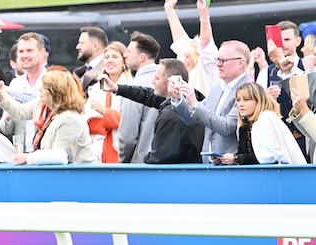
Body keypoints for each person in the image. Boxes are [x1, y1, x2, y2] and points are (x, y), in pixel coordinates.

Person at [103, 59, 203, 164]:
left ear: (169, 83)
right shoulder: (188, 102)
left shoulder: (170, 115)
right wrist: (117, 88)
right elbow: (147, 95)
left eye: (156, 78)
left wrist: (141, 160)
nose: (152, 81)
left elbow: (160, 157)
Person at [0, 71, 98, 165]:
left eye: (44, 87)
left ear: (56, 92)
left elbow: (60, 156)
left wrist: (28, 158)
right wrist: (1, 93)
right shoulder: (41, 105)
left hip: (83, 177)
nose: (40, 89)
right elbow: (20, 111)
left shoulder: (70, 119)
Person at [170, 40, 252, 160]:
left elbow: (227, 127)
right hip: (210, 166)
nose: (218, 64)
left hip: (231, 167)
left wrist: (194, 103)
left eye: (223, 60)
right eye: (217, 59)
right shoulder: (217, 89)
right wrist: (177, 99)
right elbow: (191, 119)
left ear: (240, 63)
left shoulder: (250, 90)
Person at [217, 83, 306, 165]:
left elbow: (268, 158)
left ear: (259, 101)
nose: (240, 104)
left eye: (246, 100)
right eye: (238, 100)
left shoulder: (265, 118)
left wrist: (236, 158)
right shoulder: (244, 126)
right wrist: (224, 158)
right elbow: (247, 154)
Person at [115, 32, 160, 163]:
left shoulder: (132, 88)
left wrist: (123, 162)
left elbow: (127, 136)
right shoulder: (167, 83)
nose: (125, 55)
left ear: (142, 57)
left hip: (140, 166)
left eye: (129, 51)